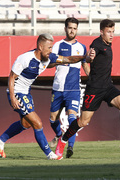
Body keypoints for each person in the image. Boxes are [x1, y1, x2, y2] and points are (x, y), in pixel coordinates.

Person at [0, 34, 95, 160]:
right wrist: (13, 97)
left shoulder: (49, 57)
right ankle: (49, 154)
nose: (51, 50)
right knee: (37, 123)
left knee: (26, 123)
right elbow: (11, 77)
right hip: (17, 93)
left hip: (26, 93)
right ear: (40, 47)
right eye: (49, 48)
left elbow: (68, 59)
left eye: (52, 47)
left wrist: (85, 57)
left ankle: (0, 140)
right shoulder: (25, 58)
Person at [55, 19, 120, 158]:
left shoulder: (109, 44)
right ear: (101, 32)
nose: (111, 34)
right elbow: (90, 56)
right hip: (94, 89)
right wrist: (90, 57)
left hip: (107, 86)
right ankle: (63, 140)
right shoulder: (97, 44)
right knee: (83, 122)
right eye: (108, 32)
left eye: (113, 32)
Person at [48, 17, 90, 158]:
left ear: (77, 30)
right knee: (52, 119)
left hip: (74, 89)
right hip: (58, 88)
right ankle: (59, 135)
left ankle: (70, 146)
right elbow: (49, 63)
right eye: (70, 28)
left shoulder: (82, 47)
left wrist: (92, 79)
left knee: (73, 117)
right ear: (65, 28)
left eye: (75, 28)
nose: (72, 31)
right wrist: (63, 60)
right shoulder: (58, 45)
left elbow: (85, 65)